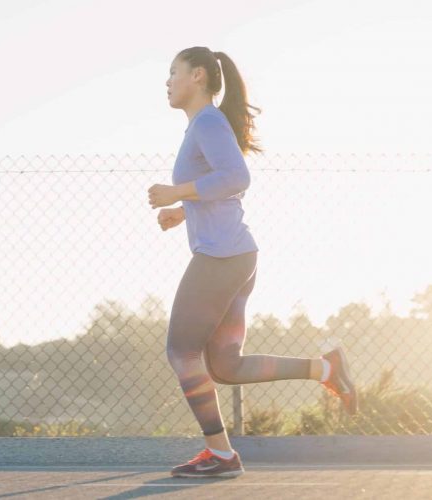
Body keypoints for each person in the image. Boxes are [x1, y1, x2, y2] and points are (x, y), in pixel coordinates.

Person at [147, 46, 357, 479]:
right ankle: (326, 368)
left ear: (199, 76)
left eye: (173, 72)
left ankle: (221, 455)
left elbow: (237, 177)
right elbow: (225, 187)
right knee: (225, 365)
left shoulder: (206, 121)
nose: (167, 82)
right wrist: (182, 211)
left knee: (182, 351)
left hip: (222, 257)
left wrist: (177, 192)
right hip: (237, 255)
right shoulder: (203, 125)